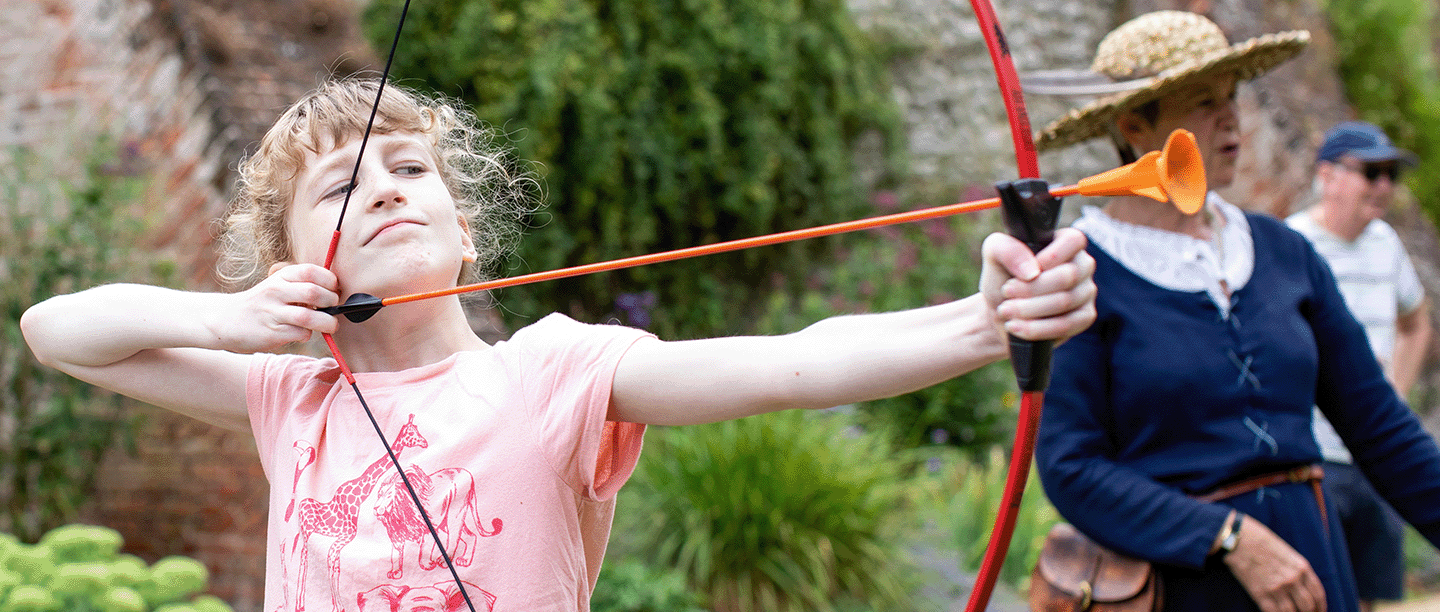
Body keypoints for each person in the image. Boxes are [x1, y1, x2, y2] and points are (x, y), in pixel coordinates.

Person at [20, 78, 1098, 612]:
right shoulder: (287, 396)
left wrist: (980, 323)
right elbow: (56, 331)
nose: (387, 190)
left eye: (409, 168)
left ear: (465, 222)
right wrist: (229, 319)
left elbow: (789, 362)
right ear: (299, 256)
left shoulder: (549, 372)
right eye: (339, 189)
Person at [1024, 10, 1440, 612]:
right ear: (1134, 125)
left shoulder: (1283, 253)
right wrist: (1227, 539)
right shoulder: (1079, 272)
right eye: (1200, 103)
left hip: (1313, 574)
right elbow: (1071, 467)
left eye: (1231, 97)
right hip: (1186, 583)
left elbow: (1381, 429)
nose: (1231, 119)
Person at [1286, 120, 1432, 612]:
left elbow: (1416, 321)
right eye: (1372, 172)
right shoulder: (1291, 246)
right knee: (1317, 595)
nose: (1384, 186)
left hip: (1376, 458)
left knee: (1368, 595)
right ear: (1328, 176)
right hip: (1314, 455)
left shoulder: (1386, 244)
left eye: (1390, 174)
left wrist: (1395, 393)